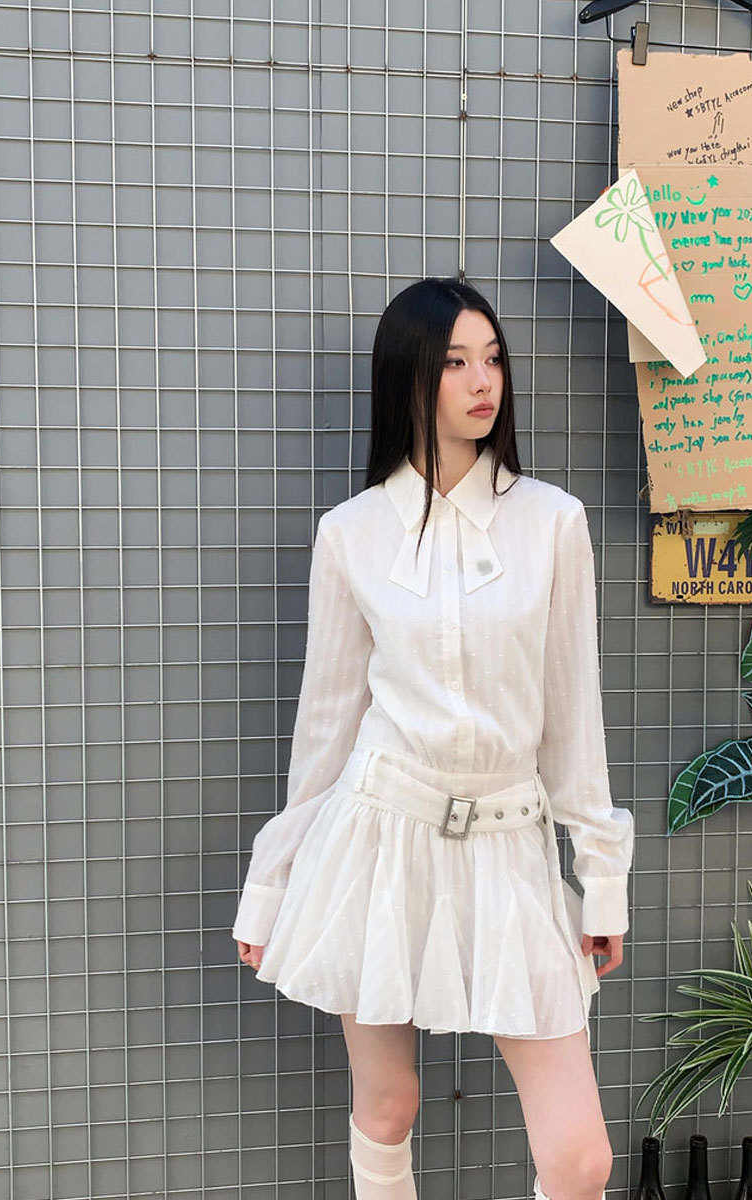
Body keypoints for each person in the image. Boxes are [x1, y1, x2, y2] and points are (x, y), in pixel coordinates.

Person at [232, 277, 634, 1200]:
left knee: (581, 1161)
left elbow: (574, 719)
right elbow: (327, 728)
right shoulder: (351, 535)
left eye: (491, 359)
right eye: (455, 362)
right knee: (388, 1107)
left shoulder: (552, 523)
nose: (482, 381)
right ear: (408, 374)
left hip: (510, 845)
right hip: (377, 842)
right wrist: (271, 886)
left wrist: (600, 878)